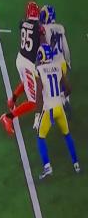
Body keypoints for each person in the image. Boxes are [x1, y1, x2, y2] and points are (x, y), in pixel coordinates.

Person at [34, 44, 79, 179]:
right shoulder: (58, 67)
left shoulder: (39, 69)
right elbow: (69, 88)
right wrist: (62, 97)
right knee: (67, 134)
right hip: (59, 107)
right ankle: (76, 164)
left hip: (48, 109)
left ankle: (47, 167)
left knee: (40, 137)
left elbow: (39, 95)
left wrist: (37, 115)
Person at [1, 1, 41, 135]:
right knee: (32, 102)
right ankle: (8, 117)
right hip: (28, 64)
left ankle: (12, 99)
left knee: (28, 82)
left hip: (20, 58)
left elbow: (23, 24)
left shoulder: (22, 23)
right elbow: (40, 32)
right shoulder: (38, 28)